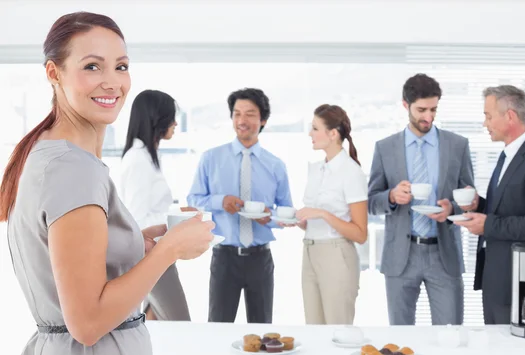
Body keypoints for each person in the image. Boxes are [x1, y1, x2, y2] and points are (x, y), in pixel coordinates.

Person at [0, 12, 214, 355]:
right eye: (91, 66)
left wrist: (138, 241)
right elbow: (87, 321)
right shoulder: (72, 169)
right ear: (54, 73)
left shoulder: (47, 154)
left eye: (121, 66)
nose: (112, 81)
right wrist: (170, 250)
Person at [367, 73, 475, 326]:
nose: (428, 117)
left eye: (434, 109)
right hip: (400, 257)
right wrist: (392, 196)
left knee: (450, 333)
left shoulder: (457, 145)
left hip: (443, 253)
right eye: (421, 110)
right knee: (401, 340)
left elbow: (469, 196)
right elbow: (372, 201)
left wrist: (451, 208)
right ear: (405, 105)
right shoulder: (385, 148)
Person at [454, 85, 525, 324]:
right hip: (496, 279)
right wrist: (478, 205)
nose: (485, 123)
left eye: (489, 116)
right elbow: (506, 209)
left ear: (510, 116)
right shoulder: (507, 156)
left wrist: (488, 226)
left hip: (522, 285)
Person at [187, 88, 293, 323]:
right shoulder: (210, 158)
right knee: (217, 328)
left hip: (260, 259)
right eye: (237, 114)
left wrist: (270, 217)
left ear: (263, 120)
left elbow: (287, 213)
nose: (242, 121)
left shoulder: (275, 165)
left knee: (262, 331)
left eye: (250, 114)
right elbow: (193, 200)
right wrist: (219, 201)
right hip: (225, 258)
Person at [291, 104, 368, 325]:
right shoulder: (316, 170)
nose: (310, 134)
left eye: (315, 128)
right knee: (313, 330)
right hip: (310, 253)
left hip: (337, 255)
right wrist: (301, 221)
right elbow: (316, 219)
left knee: (337, 330)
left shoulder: (351, 172)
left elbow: (360, 234)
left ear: (333, 134)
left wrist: (323, 214)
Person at [120, 89, 192, 321]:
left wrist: (179, 214)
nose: (174, 124)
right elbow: (137, 219)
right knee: (181, 325)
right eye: (171, 117)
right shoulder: (138, 159)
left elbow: (153, 209)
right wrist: (179, 220)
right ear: (157, 118)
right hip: (151, 257)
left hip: (158, 255)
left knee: (154, 323)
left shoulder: (147, 157)